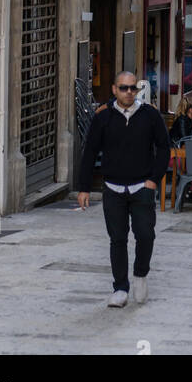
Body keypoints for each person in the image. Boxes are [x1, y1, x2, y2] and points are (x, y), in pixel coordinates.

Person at [77, 70, 172, 307]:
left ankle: (140, 274)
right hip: (113, 187)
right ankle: (120, 287)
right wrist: (84, 187)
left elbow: (163, 148)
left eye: (133, 88)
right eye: (123, 88)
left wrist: (154, 179)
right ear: (114, 90)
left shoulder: (150, 115)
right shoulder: (103, 117)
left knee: (145, 234)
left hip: (142, 186)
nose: (129, 92)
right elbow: (89, 151)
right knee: (117, 239)